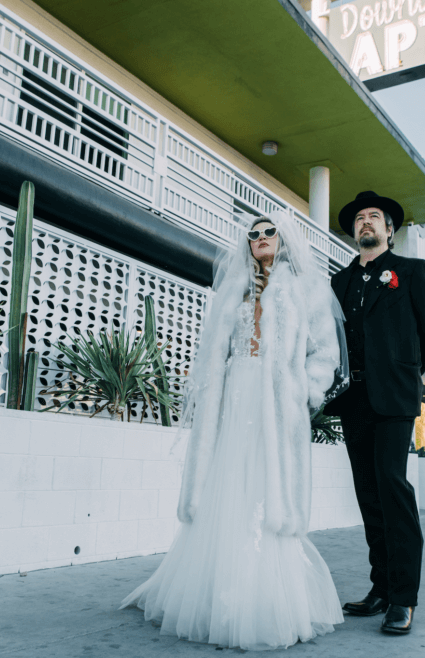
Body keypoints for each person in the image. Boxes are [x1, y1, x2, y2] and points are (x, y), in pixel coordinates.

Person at [121, 211, 346, 650]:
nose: (260, 238)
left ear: (283, 240)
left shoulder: (307, 289)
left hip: (277, 406)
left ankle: (267, 601)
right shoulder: (232, 291)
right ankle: (217, 597)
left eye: (269, 232)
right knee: (228, 489)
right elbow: (212, 353)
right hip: (235, 400)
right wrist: (210, 395)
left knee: (268, 489)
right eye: (254, 234)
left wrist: (305, 392)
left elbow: (325, 353)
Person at [323, 191, 425, 635]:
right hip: (353, 403)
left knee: (393, 490)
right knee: (368, 494)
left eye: (375, 216)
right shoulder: (338, 283)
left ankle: (404, 598)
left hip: (394, 400)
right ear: (354, 231)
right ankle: (380, 589)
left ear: (389, 230)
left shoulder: (411, 272)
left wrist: (402, 372)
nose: (366, 222)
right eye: (359, 218)